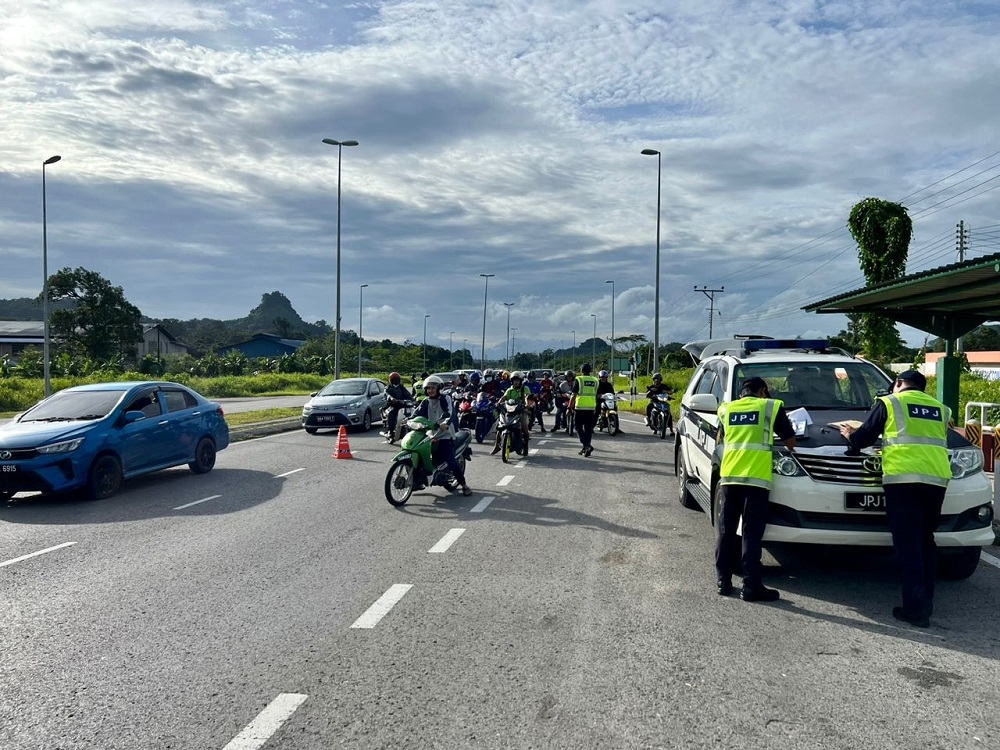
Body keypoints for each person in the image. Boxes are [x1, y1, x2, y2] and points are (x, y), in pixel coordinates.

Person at [839, 369, 951, 628]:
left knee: (907, 544)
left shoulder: (890, 402)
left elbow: (864, 438)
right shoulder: (941, 409)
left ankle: (914, 610)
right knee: (926, 540)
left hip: (904, 480)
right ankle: (926, 602)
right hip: (936, 480)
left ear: (898, 383)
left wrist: (849, 435)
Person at [716, 376, 797, 602]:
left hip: (729, 477)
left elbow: (721, 437)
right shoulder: (770, 406)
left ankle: (723, 582)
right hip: (756, 480)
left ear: (742, 392)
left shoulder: (726, 409)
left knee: (726, 531)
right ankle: (751, 586)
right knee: (751, 534)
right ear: (763, 391)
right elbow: (790, 442)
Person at [413, 375, 473, 496]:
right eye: (428, 388)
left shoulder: (446, 399)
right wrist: (408, 420)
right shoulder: (426, 401)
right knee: (419, 453)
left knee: (450, 460)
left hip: (445, 435)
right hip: (430, 434)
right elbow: (417, 413)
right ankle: (418, 481)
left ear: (439, 388)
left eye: (433, 388)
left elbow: (450, 413)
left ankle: (463, 484)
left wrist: (445, 423)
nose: (430, 390)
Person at [492, 370, 532, 455]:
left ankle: (525, 446)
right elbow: (504, 397)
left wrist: (527, 404)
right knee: (500, 427)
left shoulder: (525, 389)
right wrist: (499, 402)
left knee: (525, 427)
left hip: (521, 411)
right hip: (509, 411)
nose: (516, 382)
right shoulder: (509, 390)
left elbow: (527, 397)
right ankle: (497, 446)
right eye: (514, 380)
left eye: (517, 380)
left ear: (521, 381)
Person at [571, 363, 599, 456]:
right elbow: (597, 393)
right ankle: (586, 448)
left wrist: (569, 407)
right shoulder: (595, 380)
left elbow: (573, 395)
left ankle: (587, 445)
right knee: (588, 428)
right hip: (591, 407)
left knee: (577, 426)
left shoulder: (579, 379)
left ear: (581, 371)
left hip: (580, 407)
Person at [381, 372, 412, 442]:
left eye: (397, 379)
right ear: (391, 380)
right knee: (392, 413)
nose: (396, 381)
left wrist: (413, 400)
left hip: (402, 406)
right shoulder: (388, 388)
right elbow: (387, 395)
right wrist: (391, 399)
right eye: (394, 379)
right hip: (392, 406)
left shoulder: (402, 388)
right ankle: (391, 431)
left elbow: (408, 395)